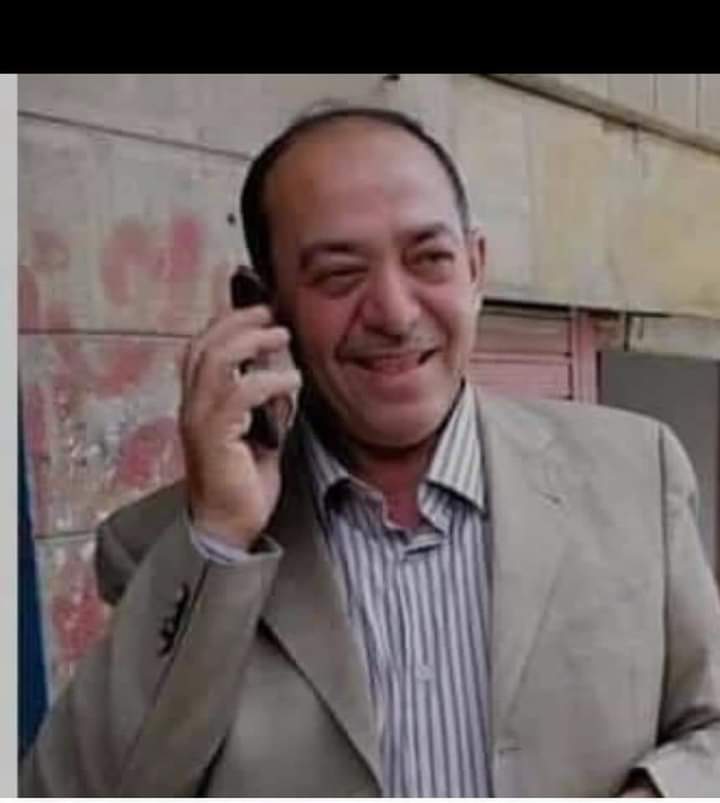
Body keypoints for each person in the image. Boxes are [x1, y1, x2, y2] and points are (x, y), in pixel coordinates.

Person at [20, 106, 720, 797]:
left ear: (475, 269)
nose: (394, 312)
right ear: (260, 303)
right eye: (338, 274)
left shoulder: (633, 474)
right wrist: (220, 539)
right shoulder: (169, 549)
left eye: (430, 259)